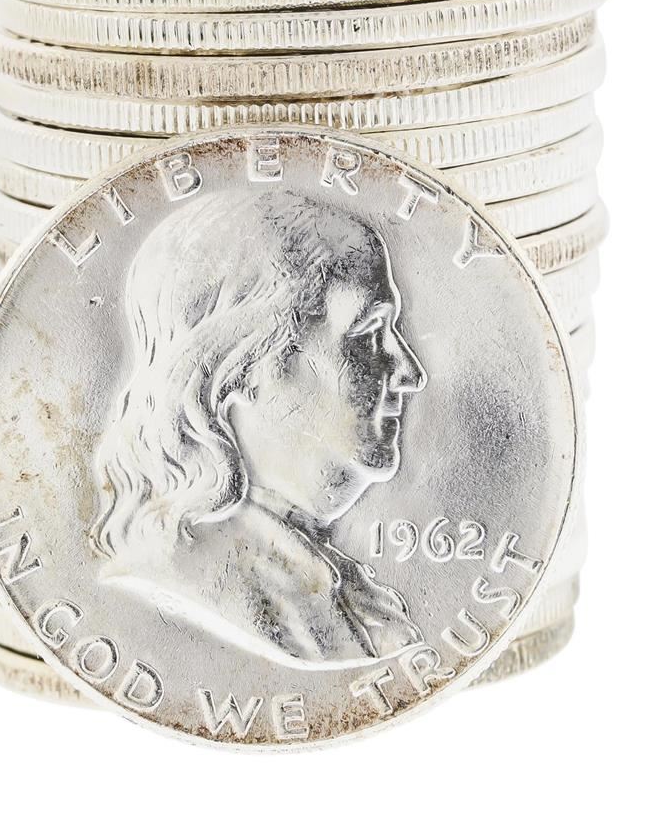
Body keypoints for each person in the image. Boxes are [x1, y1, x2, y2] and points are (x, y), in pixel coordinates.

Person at [89, 188, 427, 665]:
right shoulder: (180, 584)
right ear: (243, 366)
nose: (410, 372)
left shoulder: (348, 592)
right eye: (369, 334)